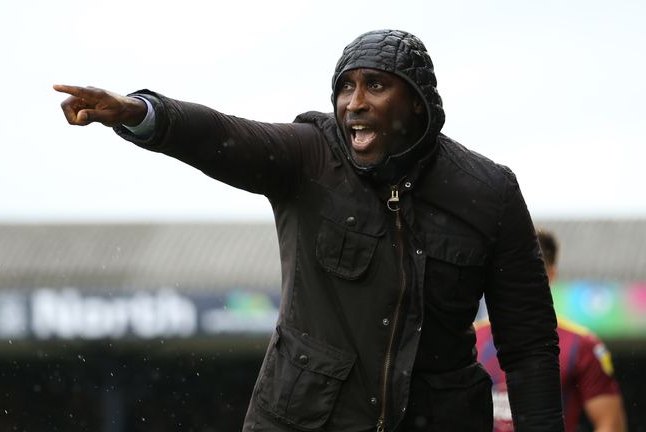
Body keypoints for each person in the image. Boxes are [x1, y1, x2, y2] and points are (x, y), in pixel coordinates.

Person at [55, 29, 563, 432]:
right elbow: (221, 135)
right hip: (303, 420)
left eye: (376, 86)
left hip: (440, 418)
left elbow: (530, 345)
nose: (354, 102)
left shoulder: (489, 193)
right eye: (346, 86)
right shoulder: (310, 156)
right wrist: (139, 113)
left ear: (417, 103)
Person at [475, 229, 627, 432]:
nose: (518, 280)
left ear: (550, 275)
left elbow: (610, 424)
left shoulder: (581, 345)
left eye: (529, 271)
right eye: (509, 270)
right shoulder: (471, 339)